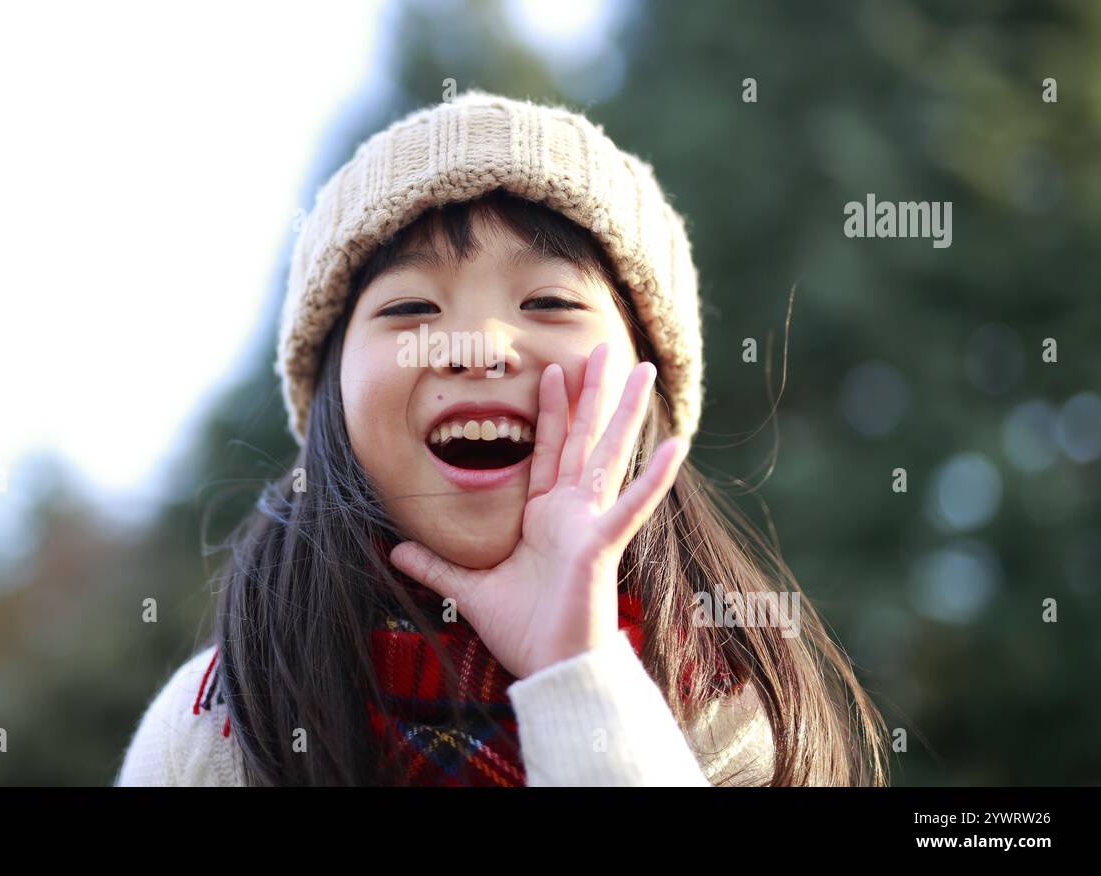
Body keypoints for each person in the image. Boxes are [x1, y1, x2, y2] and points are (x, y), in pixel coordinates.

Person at [115, 90, 890, 786]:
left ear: (645, 386)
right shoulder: (217, 729)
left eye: (550, 300)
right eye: (408, 308)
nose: (480, 346)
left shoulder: (727, 716)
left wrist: (575, 671)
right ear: (332, 400)